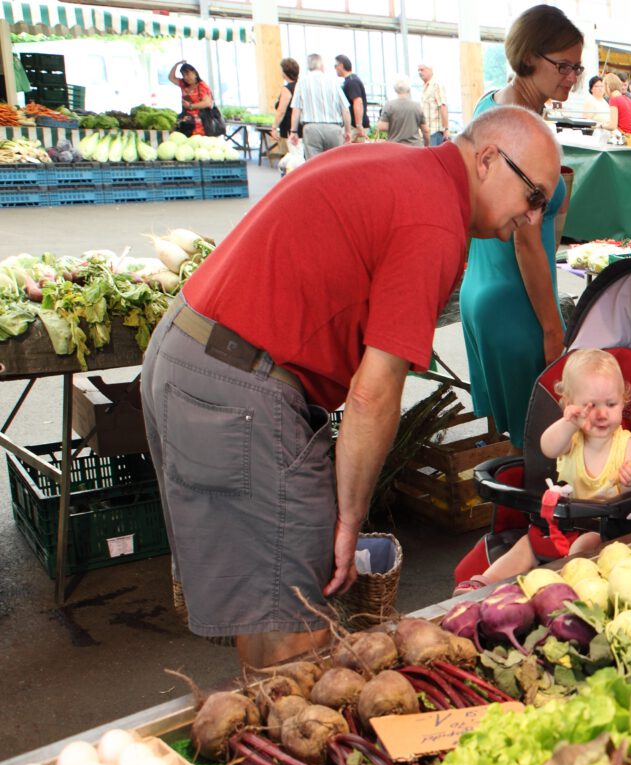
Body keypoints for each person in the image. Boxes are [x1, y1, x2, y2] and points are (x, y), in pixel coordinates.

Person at [140, 105, 559, 666]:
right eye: (534, 197)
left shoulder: (402, 168)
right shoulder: (434, 218)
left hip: (195, 356)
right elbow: (373, 393)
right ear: (487, 160)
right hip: (236, 387)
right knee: (296, 626)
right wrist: (349, 518)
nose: (533, 219)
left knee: (270, 606)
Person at [460, 5, 583, 450]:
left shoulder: (490, 104)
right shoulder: (523, 126)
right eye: (563, 65)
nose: (572, 76)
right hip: (519, 306)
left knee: (507, 443)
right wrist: (553, 330)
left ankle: (506, 520)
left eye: (577, 66)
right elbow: (528, 242)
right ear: (529, 57)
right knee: (539, 449)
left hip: (482, 293)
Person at [456, 349, 631, 594]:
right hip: (560, 522)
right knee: (527, 546)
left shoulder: (624, 444)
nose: (601, 413)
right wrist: (568, 423)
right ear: (569, 406)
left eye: (611, 404)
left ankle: (558, 589)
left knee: (586, 546)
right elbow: (547, 447)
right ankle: (483, 582)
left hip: (601, 527)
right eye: (590, 406)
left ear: (624, 401)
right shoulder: (572, 438)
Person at [288, 54, 353, 161]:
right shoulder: (333, 82)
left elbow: (296, 109)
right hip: (334, 129)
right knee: (336, 164)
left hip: (311, 129)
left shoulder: (302, 83)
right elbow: (345, 109)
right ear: (321, 65)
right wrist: (347, 131)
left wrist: (293, 131)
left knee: (314, 166)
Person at [168, 61, 214, 137]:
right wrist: (177, 64)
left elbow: (207, 103)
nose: (185, 77)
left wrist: (191, 106)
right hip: (187, 121)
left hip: (200, 122)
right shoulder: (183, 84)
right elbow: (171, 78)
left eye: (188, 74)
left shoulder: (202, 85)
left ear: (195, 73)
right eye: (183, 75)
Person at [376, 81, 425, 147]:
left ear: (395, 90)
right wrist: (426, 143)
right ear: (409, 90)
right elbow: (425, 130)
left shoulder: (389, 105)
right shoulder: (417, 106)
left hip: (396, 147)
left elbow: (382, 127)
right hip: (415, 147)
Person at [334, 55, 370, 141]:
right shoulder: (350, 80)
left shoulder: (351, 82)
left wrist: (358, 125)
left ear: (341, 66)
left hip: (354, 126)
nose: (335, 69)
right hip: (354, 125)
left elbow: (358, 102)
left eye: (335, 66)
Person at [268, 58, 299, 149]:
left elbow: (281, 110)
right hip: (301, 127)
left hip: (290, 128)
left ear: (285, 72)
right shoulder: (300, 86)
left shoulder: (287, 89)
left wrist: (274, 128)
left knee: (294, 157)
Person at [418, 63, 449, 146]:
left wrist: (446, 129)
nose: (420, 72)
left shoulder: (436, 85)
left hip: (435, 132)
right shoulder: (424, 87)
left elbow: (443, 106)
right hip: (425, 133)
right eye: (418, 70)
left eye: (422, 70)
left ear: (430, 70)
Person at [604, 73, 631, 143]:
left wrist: (601, 125)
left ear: (607, 87)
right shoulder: (628, 99)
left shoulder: (613, 100)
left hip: (625, 139)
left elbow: (612, 126)